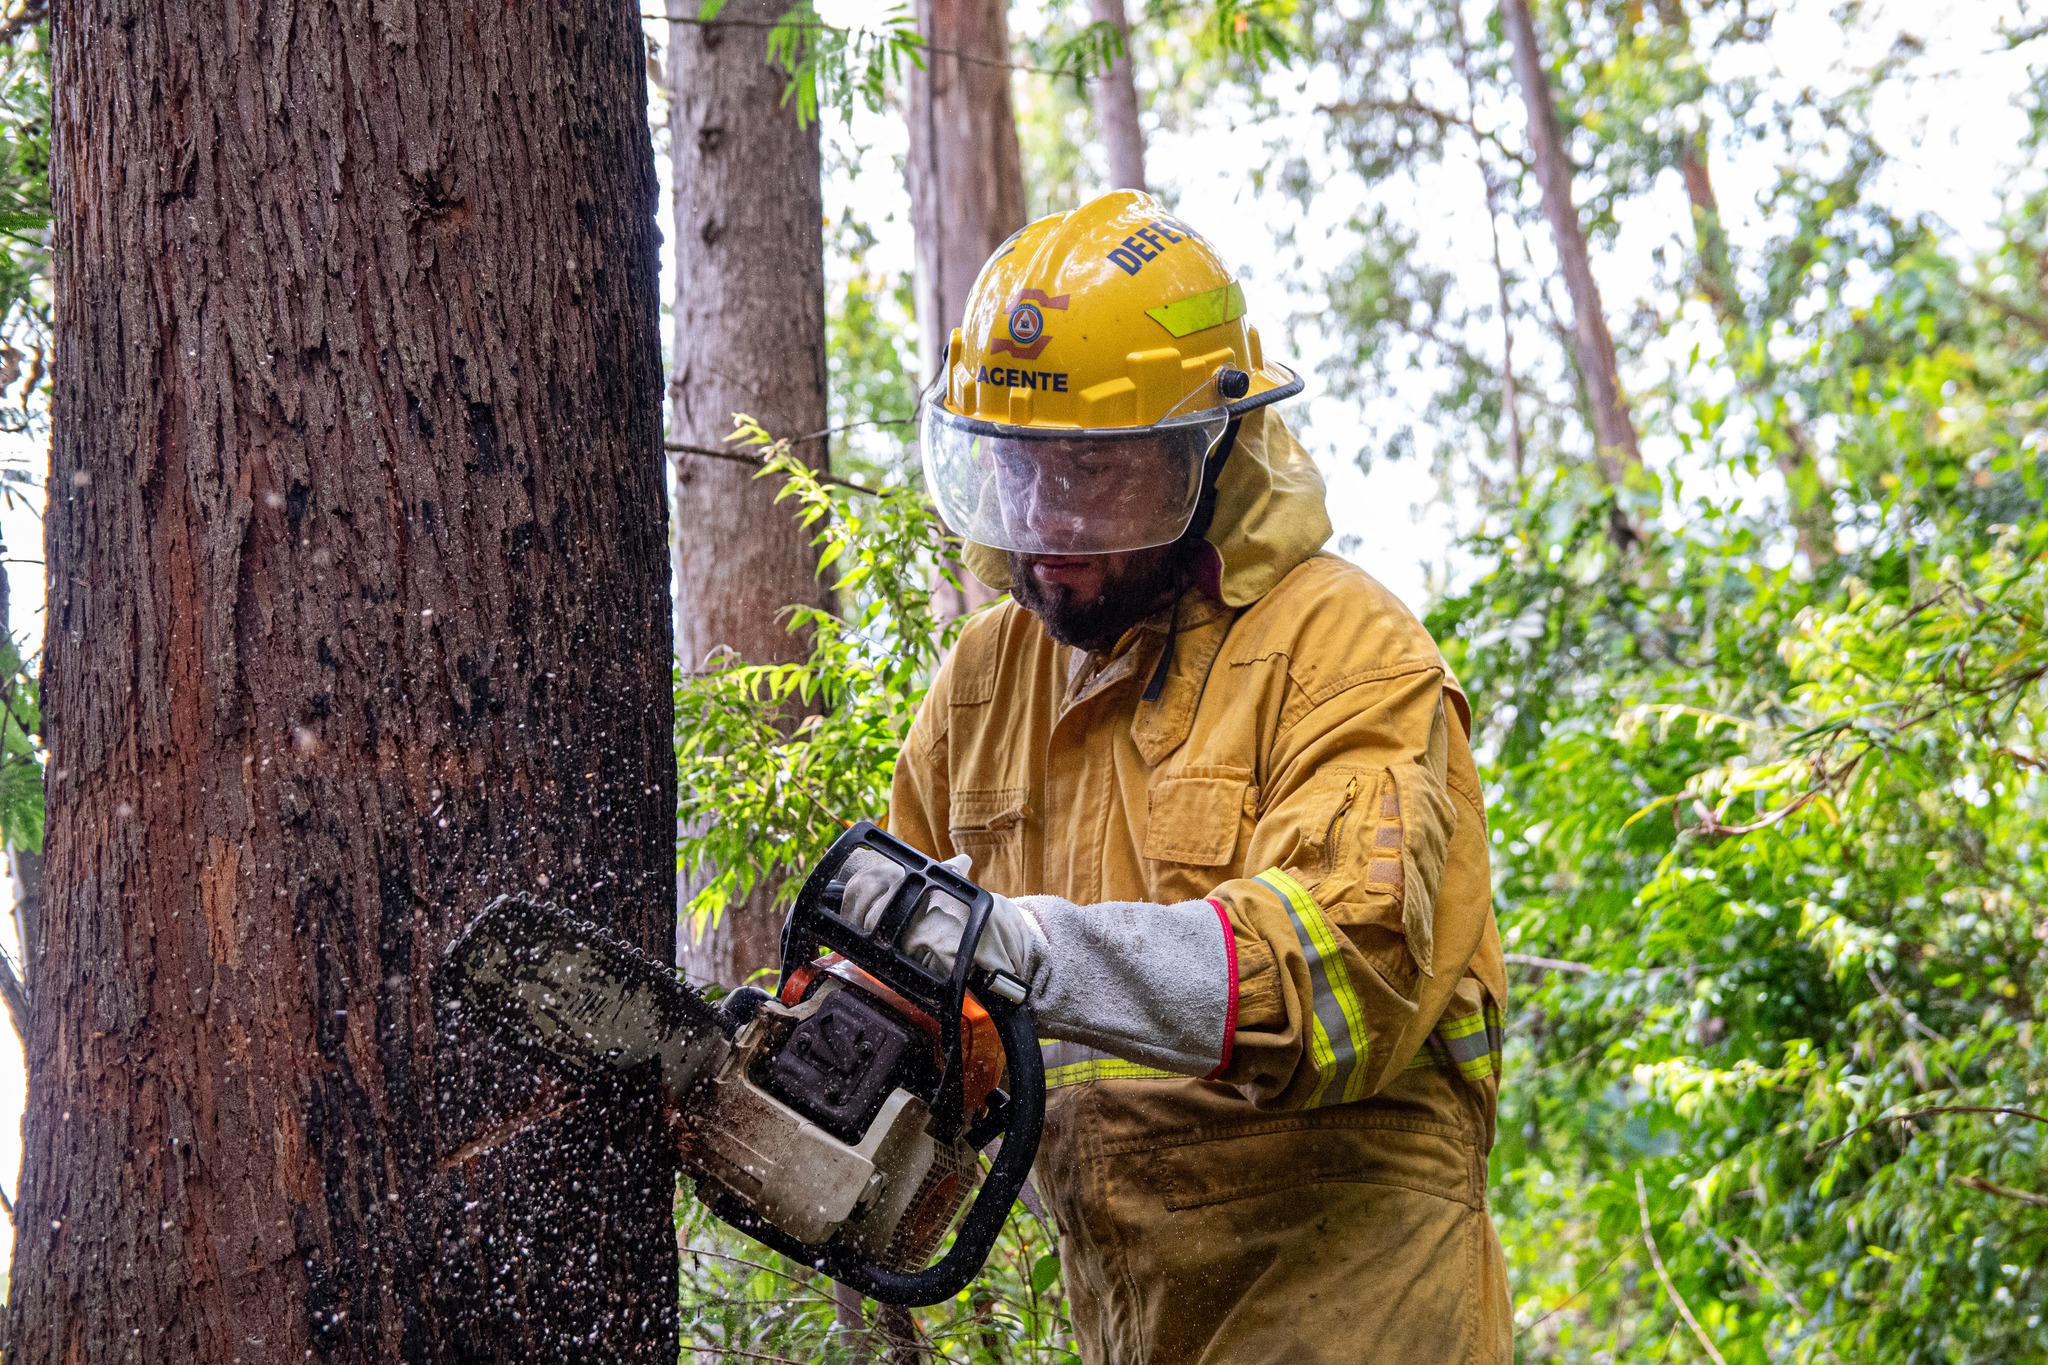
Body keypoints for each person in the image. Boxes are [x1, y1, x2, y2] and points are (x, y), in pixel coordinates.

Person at [847, 189, 1511, 1364]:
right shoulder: (983, 684)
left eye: (1097, 476)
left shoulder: (1344, 651)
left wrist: (1035, 952)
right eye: (1022, 471)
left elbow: (1342, 981)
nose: (1050, 523)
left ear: (1207, 448)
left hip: (1355, 1316)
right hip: (1136, 1324)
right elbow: (916, 983)